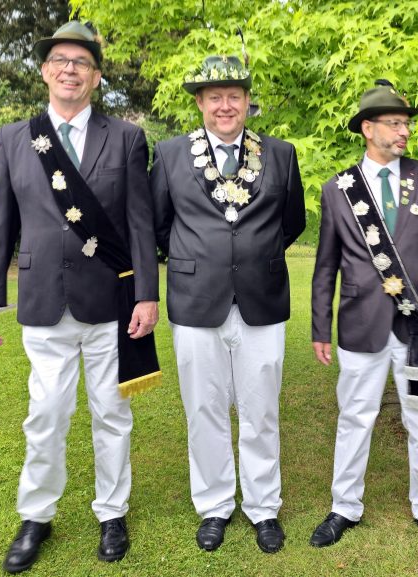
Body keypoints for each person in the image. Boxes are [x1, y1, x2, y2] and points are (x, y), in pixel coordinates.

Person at [0, 21, 160, 573]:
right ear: (44, 71)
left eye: (81, 62)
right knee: (46, 414)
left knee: (112, 413)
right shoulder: (14, 138)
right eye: (60, 60)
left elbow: (140, 223)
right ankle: (36, 516)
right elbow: (0, 224)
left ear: (96, 77)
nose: (70, 70)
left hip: (110, 301)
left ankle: (112, 512)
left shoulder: (126, 138)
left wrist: (147, 294)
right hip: (43, 300)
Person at [150, 55, 305, 554]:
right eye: (214, 96)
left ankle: (263, 508)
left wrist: (252, 258)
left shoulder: (281, 154)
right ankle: (214, 505)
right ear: (199, 103)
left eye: (233, 96)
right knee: (204, 408)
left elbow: (292, 221)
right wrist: (204, 259)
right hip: (196, 301)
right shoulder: (169, 154)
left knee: (261, 409)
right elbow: (159, 224)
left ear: (247, 101)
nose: (224, 105)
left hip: (262, 299)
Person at [309, 80, 418, 550]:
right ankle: (344, 506)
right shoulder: (338, 190)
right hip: (361, 325)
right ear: (367, 128)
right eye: (395, 123)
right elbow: (326, 266)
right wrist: (320, 326)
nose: (404, 131)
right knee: (355, 416)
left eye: (406, 123)